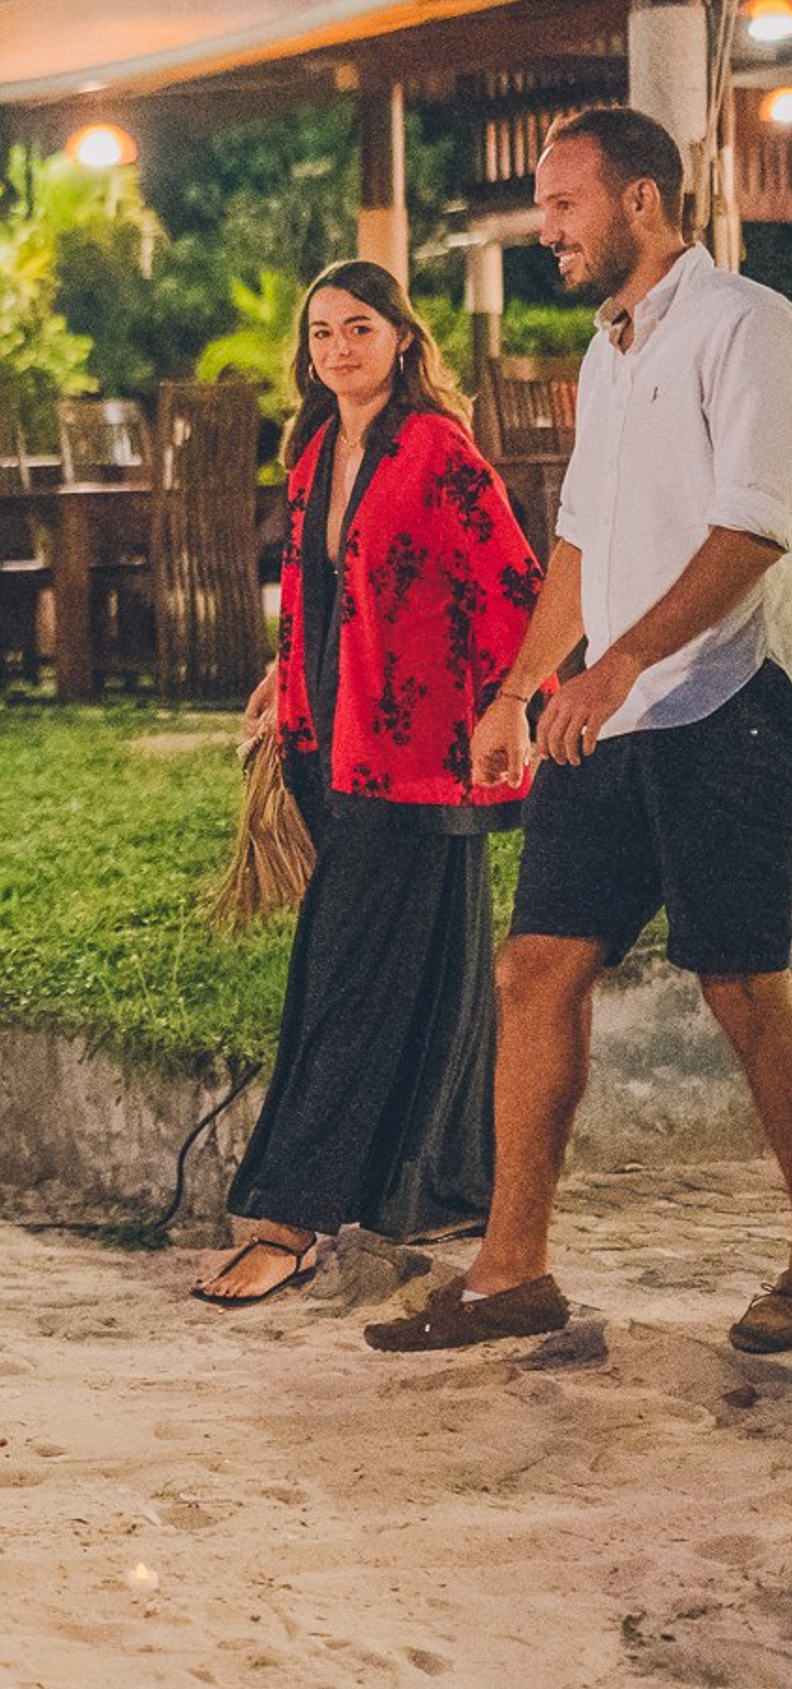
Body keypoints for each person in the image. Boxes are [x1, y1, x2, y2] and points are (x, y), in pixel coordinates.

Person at [367, 107, 792, 1353]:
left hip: (727, 704)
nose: (544, 228)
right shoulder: (607, 352)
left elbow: (754, 529)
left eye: (563, 204)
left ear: (640, 199)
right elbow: (579, 543)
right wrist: (520, 690)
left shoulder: (748, 327)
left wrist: (620, 665)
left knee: (745, 989)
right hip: (602, 718)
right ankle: (512, 1273)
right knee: (537, 968)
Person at [193, 259, 544, 1305]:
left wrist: (508, 703)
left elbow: (517, 584)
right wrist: (283, 673)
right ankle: (442, 1184)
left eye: (358, 328)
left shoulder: (438, 450)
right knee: (434, 972)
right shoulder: (315, 451)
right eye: (321, 333)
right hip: (327, 744)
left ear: (401, 337)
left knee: (343, 976)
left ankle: (290, 1220)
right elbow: (317, 587)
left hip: (414, 755)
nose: (338, 348)